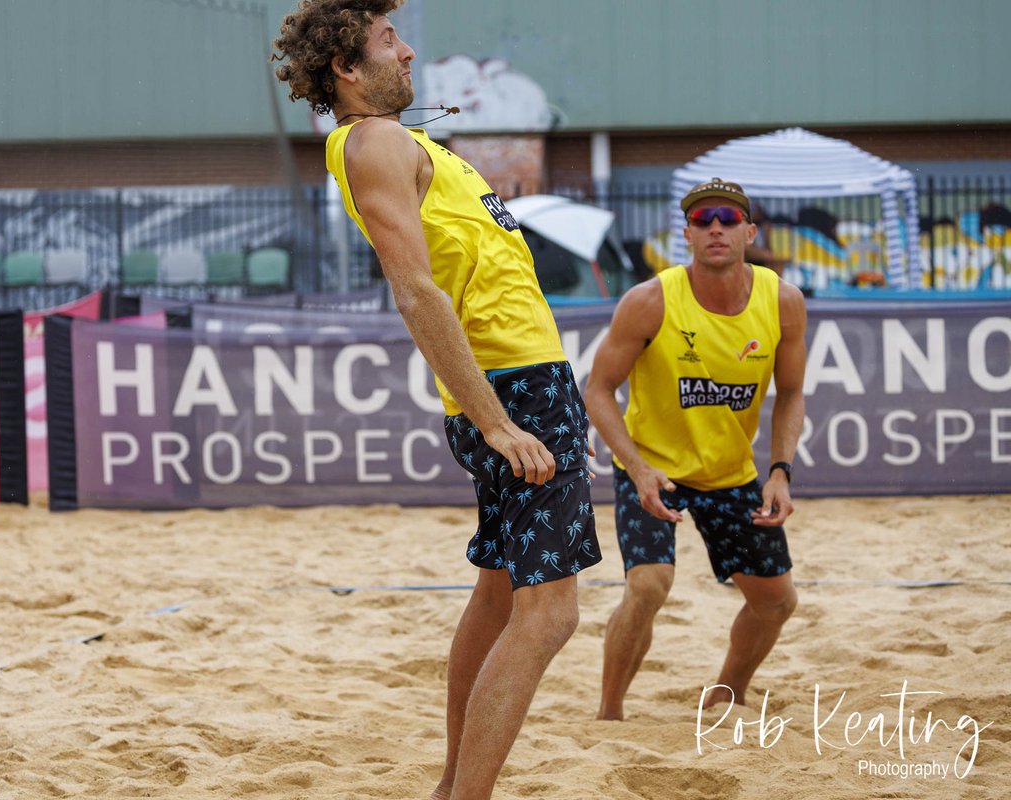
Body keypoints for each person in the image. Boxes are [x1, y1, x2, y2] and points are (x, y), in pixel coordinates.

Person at [271, 3, 601, 798]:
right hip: (514, 388)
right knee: (550, 616)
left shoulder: (403, 140)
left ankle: (453, 784)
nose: (409, 50)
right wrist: (494, 420)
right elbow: (414, 290)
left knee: (496, 595)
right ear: (347, 69)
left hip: (513, 382)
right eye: (389, 41)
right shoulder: (376, 141)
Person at [584, 177, 806, 720]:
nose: (715, 228)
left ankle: (728, 691)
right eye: (703, 218)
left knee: (777, 601)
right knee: (649, 587)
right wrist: (635, 468)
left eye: (728, 220)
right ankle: (610, 712)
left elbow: (793, 392)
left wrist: (779, 472)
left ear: (749, 232)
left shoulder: (781, 301)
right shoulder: (650, 301)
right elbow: (597, 389)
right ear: (686, 232)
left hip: (730, 474)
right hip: (653, 469)